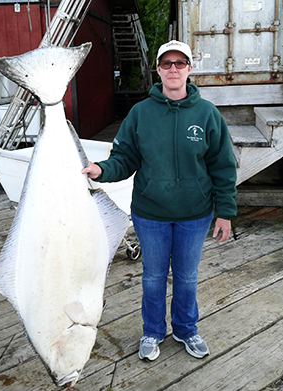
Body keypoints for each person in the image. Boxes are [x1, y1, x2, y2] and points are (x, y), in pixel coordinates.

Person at [82, 40, 237, 361]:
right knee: (153, 277)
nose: (173, 69)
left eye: (180, 63)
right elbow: (124, 158)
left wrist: (225, 213)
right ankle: (152, 331)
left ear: (190, 69)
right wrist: (101, 170)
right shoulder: (140, 114)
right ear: (158, 69)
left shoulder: (208, 115)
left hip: (195, 215)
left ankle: (185, 329)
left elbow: (223, 167)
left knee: (186, 277)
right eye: (167, 63)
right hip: (150, 214)